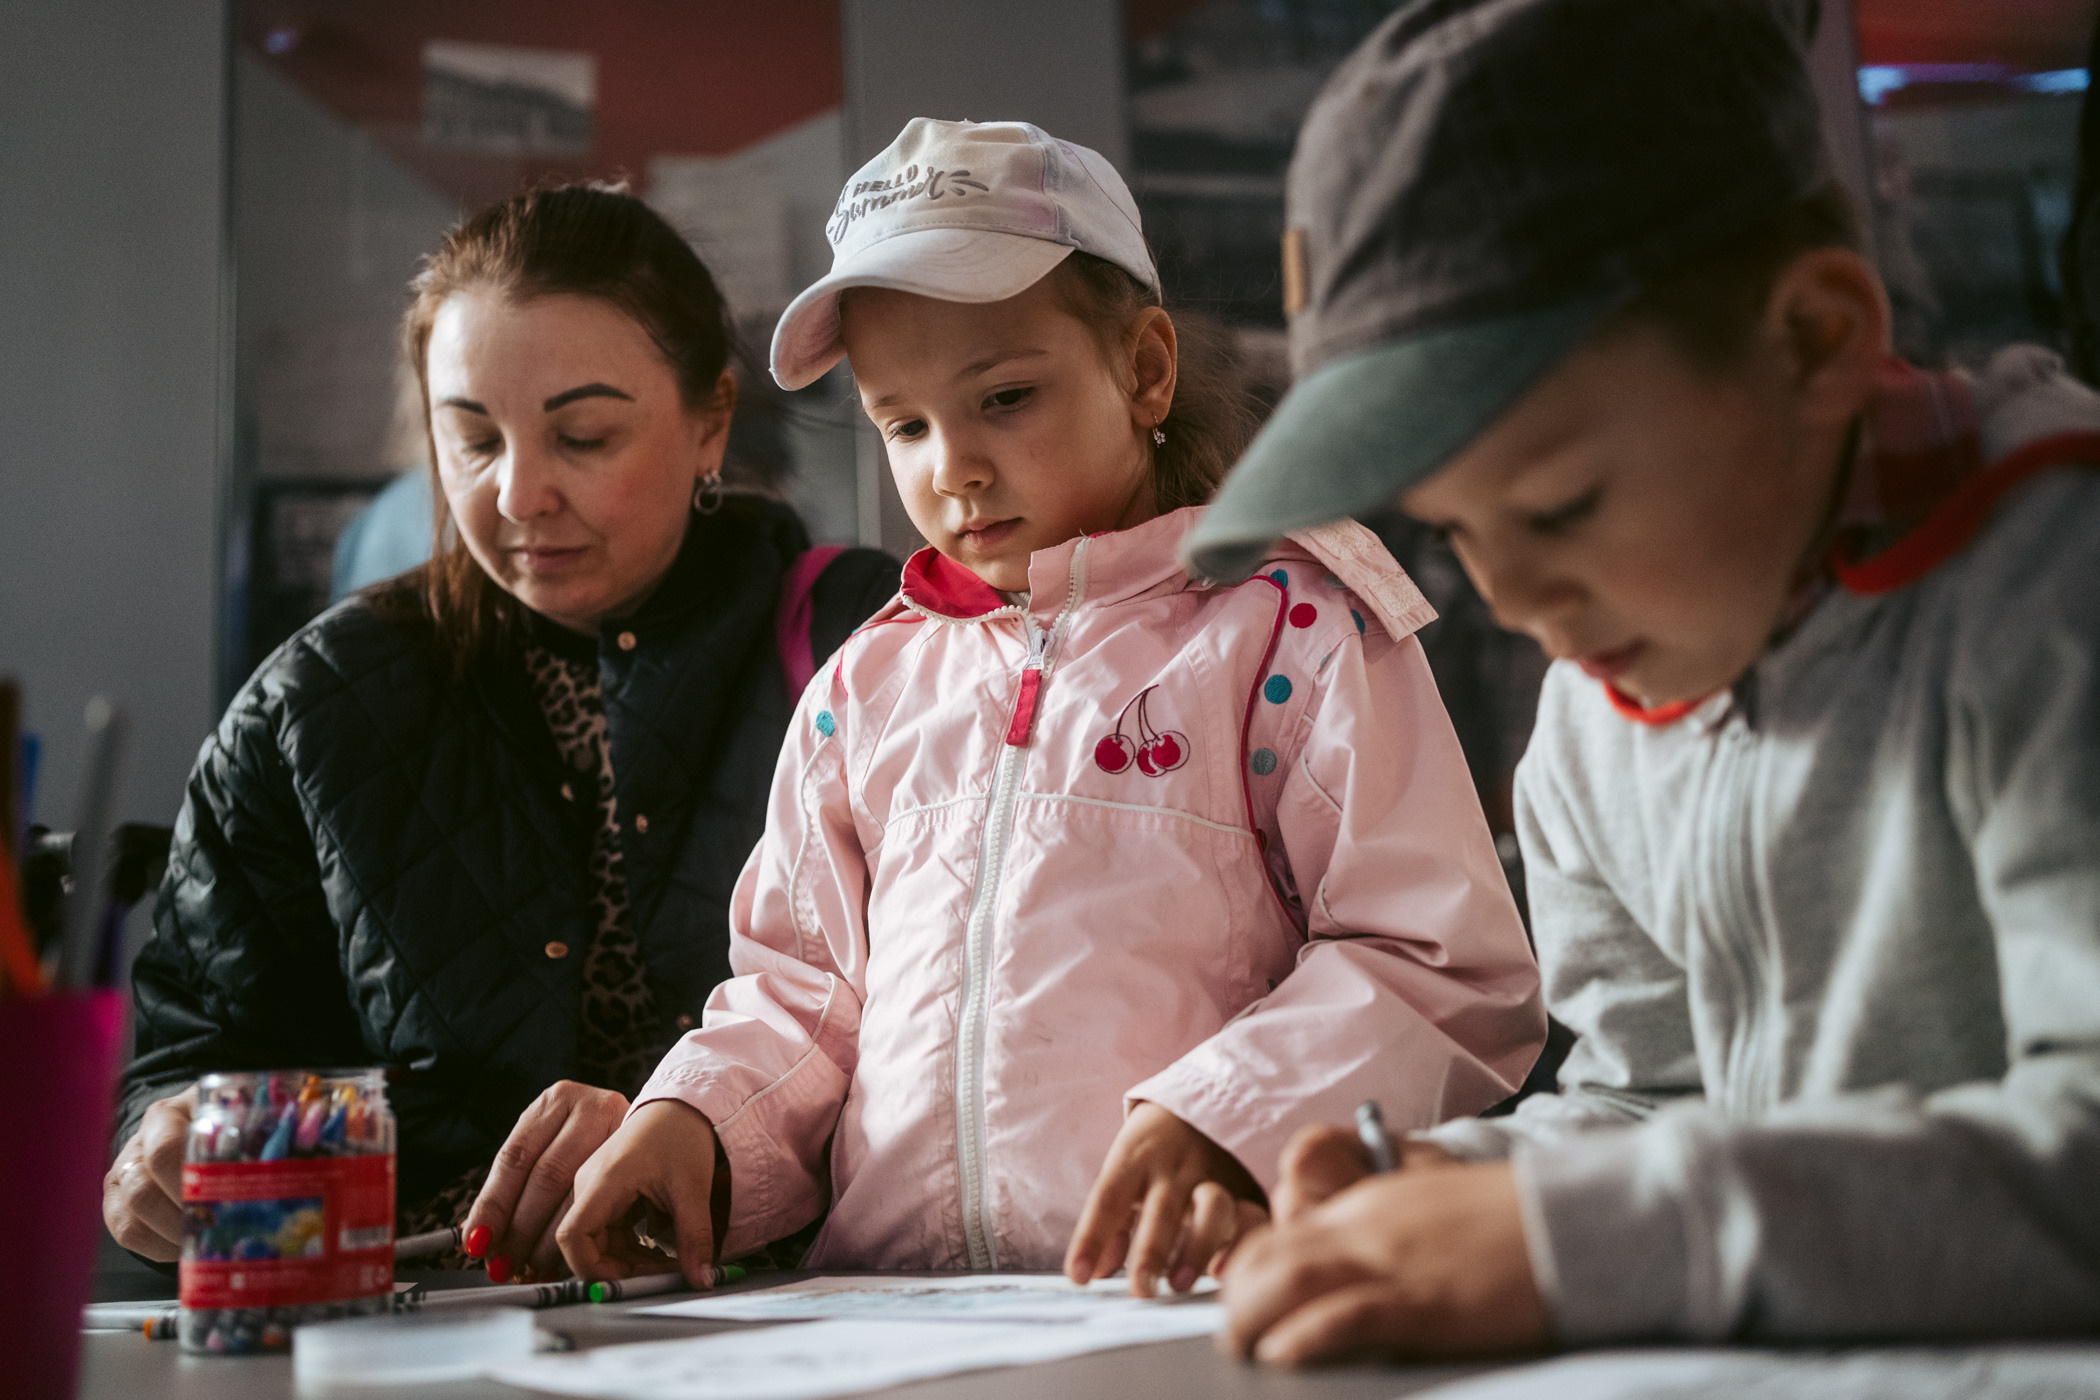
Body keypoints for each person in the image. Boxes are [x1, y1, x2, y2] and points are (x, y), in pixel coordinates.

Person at [1180, 0, 2100, 1361]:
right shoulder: (1593, 719)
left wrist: (1584, 1240)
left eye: (1559, 507)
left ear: (1812, 338)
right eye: (1460, 530)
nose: (1513, 600)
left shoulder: (2054, 592)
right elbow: (1653, 1100)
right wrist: (1480, 1191)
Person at [537, 118, 1545, 1296]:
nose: (951, 464)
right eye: (904, 422)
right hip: (891, 1321)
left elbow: (1438, 963)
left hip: (1197, 1298)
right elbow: (805, 993)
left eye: (1005, 396)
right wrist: (699, 1117)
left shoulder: (1291, 626)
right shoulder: (868, 684)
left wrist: (1228, 1114)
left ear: (1147, 369)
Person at [103, 184, 900, 1271]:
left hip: (796, 1310)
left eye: (583, 436)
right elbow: (199, 1044)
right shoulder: (315, 706)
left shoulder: (875, 646)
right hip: (404, 1325)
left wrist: (688, 1110)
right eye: (471, 439)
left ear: (712, 420)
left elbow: (966, 1025)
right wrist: (157, 1146)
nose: (520, 493)